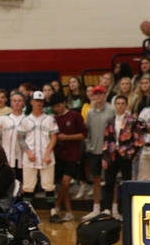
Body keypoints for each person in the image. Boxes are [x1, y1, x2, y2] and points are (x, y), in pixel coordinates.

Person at [101, 94, 144, 219]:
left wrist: (130, 154)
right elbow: (106, 139)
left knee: (126, 183)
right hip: (111, 155)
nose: (120, 106)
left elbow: (138, 141)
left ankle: (125, 210)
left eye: (122, 103)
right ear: (114, 105)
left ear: (126, 105)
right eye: (118, 103)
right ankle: (107, 209)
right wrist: (105, 156)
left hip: (125, 155)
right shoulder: (110, 120)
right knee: (109, 182)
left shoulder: (132, 121)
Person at [49, 95, 85, 222]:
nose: (57, 109)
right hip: (58, 155)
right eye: (54, 107)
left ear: (64, 103)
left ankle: (57, 205)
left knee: (66, 182)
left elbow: (83, 135)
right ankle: (69, 211)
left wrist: (66, 137)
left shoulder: (75, 115)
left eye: (58, 105)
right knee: (61, 185)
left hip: (72, 155)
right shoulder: (54, 119)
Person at [18, 91, 57, 206]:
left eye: (40, 101)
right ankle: (27, 213)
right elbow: (20, 139)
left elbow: (54, 137)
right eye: (36, 101)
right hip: (30, 157)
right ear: (31, 102)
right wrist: (28, 152)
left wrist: (48, 153)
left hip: (47, 156)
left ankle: (52, 211)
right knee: (28, 186)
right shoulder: (25, 120)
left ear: (43, 102)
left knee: (49, 185)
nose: (38, 103)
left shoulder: (50, 119)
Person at [83, 85, 115, 219]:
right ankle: (96, 208)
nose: (98, 97)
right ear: (93, 96)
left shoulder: (111, 110)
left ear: (105, 95)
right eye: (96, 94)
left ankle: (113, 208)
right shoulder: (90, 113)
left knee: (110, 180)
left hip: (108, 151)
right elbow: (88, 131)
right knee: (96, 178)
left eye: (101, 94)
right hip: (94, 150)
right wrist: (89, 146)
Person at [0, 90, 27, 200]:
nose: (17, 103)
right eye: (14, 101)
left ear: (24, 103)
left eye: (19, 101)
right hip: (7, 157)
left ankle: (22, 208)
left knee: (23, 186)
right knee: (8, 186)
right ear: (11, 103)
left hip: (24, 158)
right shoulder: (3, 119)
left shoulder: (28, 119)